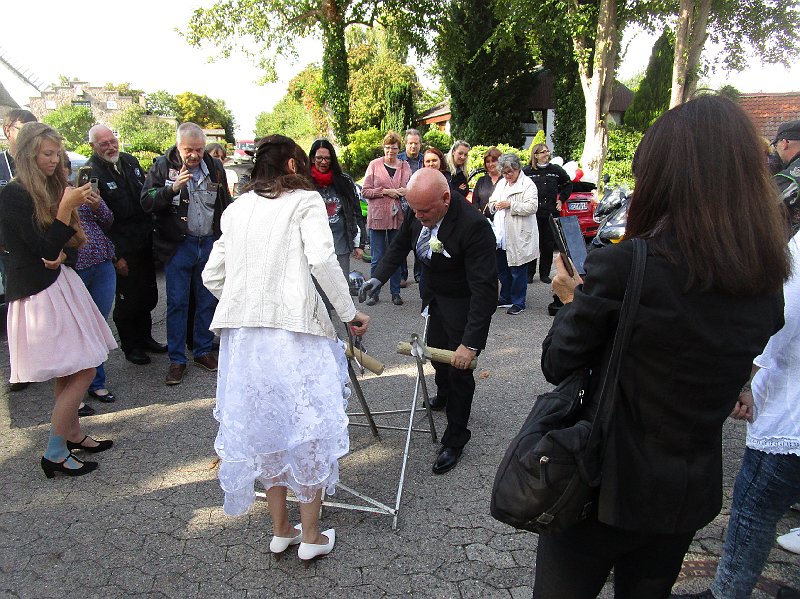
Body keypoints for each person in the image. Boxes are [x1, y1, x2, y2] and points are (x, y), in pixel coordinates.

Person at [533, 95, 789, 599]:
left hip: (600, 489)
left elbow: (557, 361)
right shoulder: (766, 282)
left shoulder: (628, 266)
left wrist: (570, 298)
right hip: (684, 495)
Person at [202, 134, 370, 560]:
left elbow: (213, 275)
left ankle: (281, 529)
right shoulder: (304, 202)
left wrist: (245, 302)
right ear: (293, 166)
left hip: (244, 339)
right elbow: (321, 259)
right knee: (306, 427)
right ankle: (310, 536)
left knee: (266, 428)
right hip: (293, 333)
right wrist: (348, 312)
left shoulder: (237, 209)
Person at [670, 120, 800, 599]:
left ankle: (727, 593)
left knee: (750, 514)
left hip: (791, 420)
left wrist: (739, 385)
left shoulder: (794, 256)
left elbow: (775, 332)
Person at [358, 168, 497, 474]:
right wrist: (378, 278)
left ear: (446, 199)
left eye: (424, 211)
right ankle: (444, 395)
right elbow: (399, 246)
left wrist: (470, 345)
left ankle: (456, 438)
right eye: (414, 210)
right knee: (435, 354)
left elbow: (485, 292)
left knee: (459, 367)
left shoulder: (474, 227)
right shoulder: (418, 208)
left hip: (463, 304)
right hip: (435, 299)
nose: (417, 216)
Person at [0, 123, 117, 477]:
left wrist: (70, 223)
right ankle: (53, 451)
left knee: (72, 366)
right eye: (46, 154)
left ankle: (72, 434)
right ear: (27, 155)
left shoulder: (48, 188)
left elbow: (66, 248)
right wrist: (64, 211)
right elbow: (45, 249)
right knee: (83, 366)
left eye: (57, 154)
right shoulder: (13, 195)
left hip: (58, 284)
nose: (54, 161)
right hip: (38, 292)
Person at [141, 122, 231, 386]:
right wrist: (171, 189)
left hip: (209, 243)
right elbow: (146, 200)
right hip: (179, 244)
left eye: (199, 150)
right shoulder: (162, 165)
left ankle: (202, 350)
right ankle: (177, 359)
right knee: (178, 303)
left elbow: (225, 204)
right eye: (188, 150)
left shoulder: (214, 167)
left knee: (206, 299)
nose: (194, 155)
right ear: (178, 146)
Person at [87, 125, 166, 367]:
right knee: (127, 299)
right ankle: (131, 346)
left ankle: (145, 339)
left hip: (144, 242)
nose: (111, 146)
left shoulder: (130, 162)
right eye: (104, 144)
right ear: (93, 147)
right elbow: (96, 221)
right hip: (121, 246)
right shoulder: (92, 173)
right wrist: (115, 255)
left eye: (112, 141)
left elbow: (145, 196)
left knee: (147, 295)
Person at [73, 163, 117, 407]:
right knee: (75, 329)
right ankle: (73, 393)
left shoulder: (87, 193)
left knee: (98, 324)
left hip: (102, 263)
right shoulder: (53, 196)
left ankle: (97, 382)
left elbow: (109, 220)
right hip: (74, 267)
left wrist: (97, 204)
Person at [1, 109, 38, 392]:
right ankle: (21, 367)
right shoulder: (3, 164)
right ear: (7, 130)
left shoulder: (42, 165)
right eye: (23, 129)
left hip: (39, 250)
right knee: (19, 310)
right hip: (10, 250)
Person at [361, 131, 411, 306]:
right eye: (388, 147)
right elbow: (365, 191)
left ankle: (395, 292)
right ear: (384, 148)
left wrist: (403, 191)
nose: (391, 151)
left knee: (396, 256)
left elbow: (409, 187)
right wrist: (385, 192)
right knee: (378, 257)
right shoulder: (374, 165)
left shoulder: (404, 166)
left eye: (394, 148)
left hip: (398, 217)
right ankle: (374, 292)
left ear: (399, 148)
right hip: (378, 218)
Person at [485, 153, 538, 315]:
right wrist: (494, 206)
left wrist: (510, 204)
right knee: (502, 268)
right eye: (505, 172)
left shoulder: (528, 184)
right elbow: (492, 201)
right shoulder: (502, 183)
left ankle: (518, 301)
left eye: (510, 172)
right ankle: (506, 297)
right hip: (501, 232)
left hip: (518, 232)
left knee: (517, 269)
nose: (507, 176)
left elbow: (532, 207)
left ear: (517, 168)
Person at [308, 138, 366, 278]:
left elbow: (355, 212)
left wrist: (360, 244)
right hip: (313, 247)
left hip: (340, 245)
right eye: (319, 158)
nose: (323, 162)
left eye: (327, 158)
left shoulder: (344, 181)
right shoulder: (304, 182)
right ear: (311, 158)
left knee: (340, 287)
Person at [524, 143, 572, 284]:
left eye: (547, 151)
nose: (546, 154)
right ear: (536, 155)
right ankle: (529, 274)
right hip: (533, 214)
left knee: (548, 244)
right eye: (542, 152)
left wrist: (561, 199)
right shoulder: (527, 171)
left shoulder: (555, 170)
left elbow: (568, 184)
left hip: (550, 213)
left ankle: (544, 274)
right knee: (532, 244)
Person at [398, 128, 424, 286]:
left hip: (420, 206)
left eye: (416, 143)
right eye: (410, 143)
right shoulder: (399, 160)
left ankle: (419, 274)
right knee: (402, 241)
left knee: (419, 241)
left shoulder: (424, 160)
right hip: (401, 207)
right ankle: (402, 275)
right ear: (405, 144)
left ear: (420, 144)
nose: (413, 146)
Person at [773, 119, 800, 235]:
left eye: (775, 145)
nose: (775, 149)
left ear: (784, 143)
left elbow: (764, 200)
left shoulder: (792, 175)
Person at [472, 147, 502, 214]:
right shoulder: (481, 181)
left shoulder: (506, 180)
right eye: (488, 162)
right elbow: (475, 201)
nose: (490, 164)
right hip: (484, 220)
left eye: (493, 161)